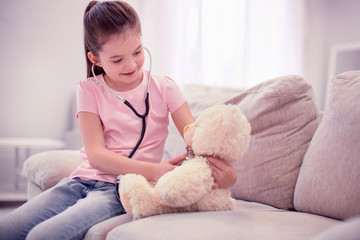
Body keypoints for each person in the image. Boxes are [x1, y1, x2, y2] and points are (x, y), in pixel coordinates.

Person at [0, 1, 237, 239]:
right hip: (80, 181)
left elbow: (195, 139)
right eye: (117, 60)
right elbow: (96, 155)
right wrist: (154, 170)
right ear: (96, 59)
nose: (131, 64)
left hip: (121, 189)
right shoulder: (89, 89)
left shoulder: (165, 87)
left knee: (42, 236)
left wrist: (227, 176)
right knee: (7, 229)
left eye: (137, 52)